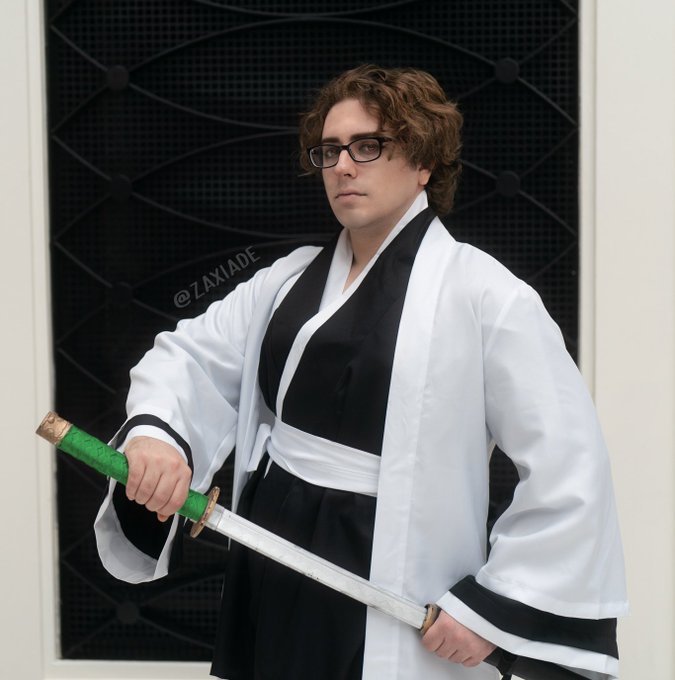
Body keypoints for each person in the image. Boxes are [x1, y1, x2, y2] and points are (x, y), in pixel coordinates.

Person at [94, 65, 627, 680]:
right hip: (272, 546)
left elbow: (569, 461)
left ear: (423, 162)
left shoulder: (486, 296)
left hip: (387, 568)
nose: (343, 166)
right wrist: (157, 439)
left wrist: (495, 604)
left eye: (367, 146)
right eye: (329, 151)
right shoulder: (286, 280)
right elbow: (191, 358)